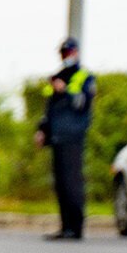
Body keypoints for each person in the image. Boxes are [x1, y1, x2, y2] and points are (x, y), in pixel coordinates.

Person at [35, 37, 95, 240]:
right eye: (63, 54)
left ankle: (76, 228)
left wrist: (65, 90)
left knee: (72, 182)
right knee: (60, 183)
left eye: (69, 53)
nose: (66, 57)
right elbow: (49, 107)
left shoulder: (84, 76)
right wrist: (42, 130)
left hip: (73, 135)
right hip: (57, 136)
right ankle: (65, 226)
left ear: (76, 53)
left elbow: (82, 104)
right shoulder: (58, 76)